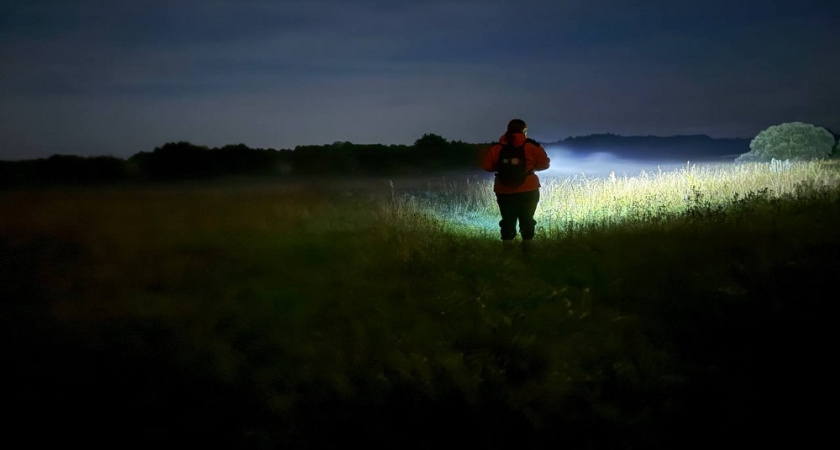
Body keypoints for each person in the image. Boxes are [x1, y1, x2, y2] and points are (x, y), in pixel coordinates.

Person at [482, 119, 551, 243]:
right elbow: (545, 164)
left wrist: (503, 169)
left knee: (507, 219)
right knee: (527, 218)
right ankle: (527, 250)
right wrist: (530, 169)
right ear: (524, 130)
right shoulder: (532, 145)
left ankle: (507, 249)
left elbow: (487, 166)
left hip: (503, 189)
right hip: (529, 188)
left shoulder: (497, 147)